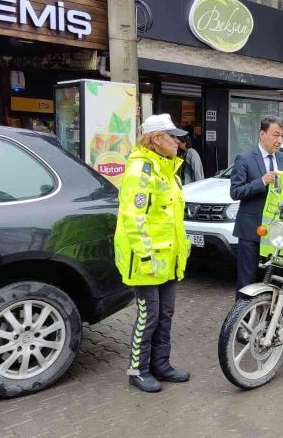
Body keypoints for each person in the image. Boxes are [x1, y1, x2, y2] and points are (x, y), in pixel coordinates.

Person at [114, 113, 192, 393]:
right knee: (149, 316)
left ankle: (162, 365)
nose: (178, 142)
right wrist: (146, 257)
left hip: (168, 260)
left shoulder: (168, 168)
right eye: (173, 137)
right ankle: (138, 370)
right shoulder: (141, 171)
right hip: (146, 262)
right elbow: (133, 220)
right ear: (156, 139)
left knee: (165, 314)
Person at [229, 116, 283, 298]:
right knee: (246, 281)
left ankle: (269, 321)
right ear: (262, 134)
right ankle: (240, 322)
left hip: (276, 234)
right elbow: (235, 192)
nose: (280, 141)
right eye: (276, 135)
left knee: (274, 281)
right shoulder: (244, 159)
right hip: (251, 230)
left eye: (282, 136)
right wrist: (261, 182)